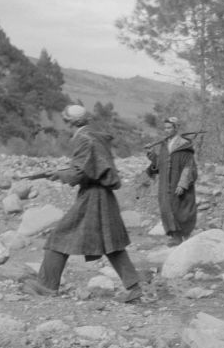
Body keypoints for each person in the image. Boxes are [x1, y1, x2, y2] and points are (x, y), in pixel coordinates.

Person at [22, 105, 142, 303]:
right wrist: (61, 172)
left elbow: (80, 173)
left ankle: (46, 286)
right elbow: (89, 167)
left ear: (71, 122)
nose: (64, 124)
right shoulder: (94, 136)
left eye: (65, 120)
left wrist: (58, 174)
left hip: (93, 197)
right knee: (111, 243)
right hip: (103, 196)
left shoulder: (83, 139)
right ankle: (134, 287)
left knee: (59, 237)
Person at [146, 117, 198, 247]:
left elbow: (189, 166)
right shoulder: (164, 145)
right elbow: (160, 165)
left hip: (177, 182)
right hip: (165, 184)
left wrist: (182, 184)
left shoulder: (184, 145)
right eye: (165, 128)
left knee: (180, 208)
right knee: (166, 208)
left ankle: (185, 236)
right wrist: (153, 157)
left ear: (176, 128)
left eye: (169, 128)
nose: (166, 130)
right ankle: (175, 237)